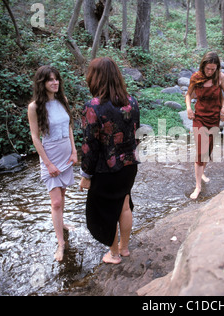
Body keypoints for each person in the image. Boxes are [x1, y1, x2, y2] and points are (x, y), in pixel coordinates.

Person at [79, 57, 140, 265]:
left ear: (95, 78)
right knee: (124, 206)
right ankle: (124, 248)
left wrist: (86, 175)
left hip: (106, 170)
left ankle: (113, 254)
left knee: (106, 212)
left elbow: (90, 145)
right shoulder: (131, 102)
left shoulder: (93, 106)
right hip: (129, 165)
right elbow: (136, 134)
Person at [28, 66, 78, 262]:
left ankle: (62, 223)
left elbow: (69, 127)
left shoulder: (62, 100)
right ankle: (61, 243)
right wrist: (47, 164)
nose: (55, 83)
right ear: (42, 83)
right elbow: (35, 137)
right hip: (50, 155)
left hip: (66, 153)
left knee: (63, 194)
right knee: (56, 202)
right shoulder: (34, 107)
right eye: (50, 80)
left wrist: (74, 151)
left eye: (56, 79)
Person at [186, 52, 224, 200]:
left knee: (208, 150)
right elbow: (188, 95)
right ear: (203, 66)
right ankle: (197, 186)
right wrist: (188, 108)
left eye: (213, 69)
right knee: (201, 151)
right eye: (208, 69)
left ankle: (202, 172)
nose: (210, 72)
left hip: (214, 118)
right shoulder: (196, 77)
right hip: (199, 118)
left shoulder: (220, 77)